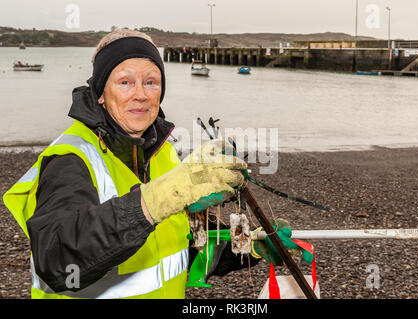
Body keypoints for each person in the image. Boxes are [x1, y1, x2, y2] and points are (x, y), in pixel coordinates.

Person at [3, 29, 304, 299]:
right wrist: (156, 200)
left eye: (151, 82)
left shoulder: (163, 154)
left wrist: (249, 248)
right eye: (125, 82)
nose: (141, 94)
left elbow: (186, 250)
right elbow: (58, 260)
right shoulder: (70, 159)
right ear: (100, 95)